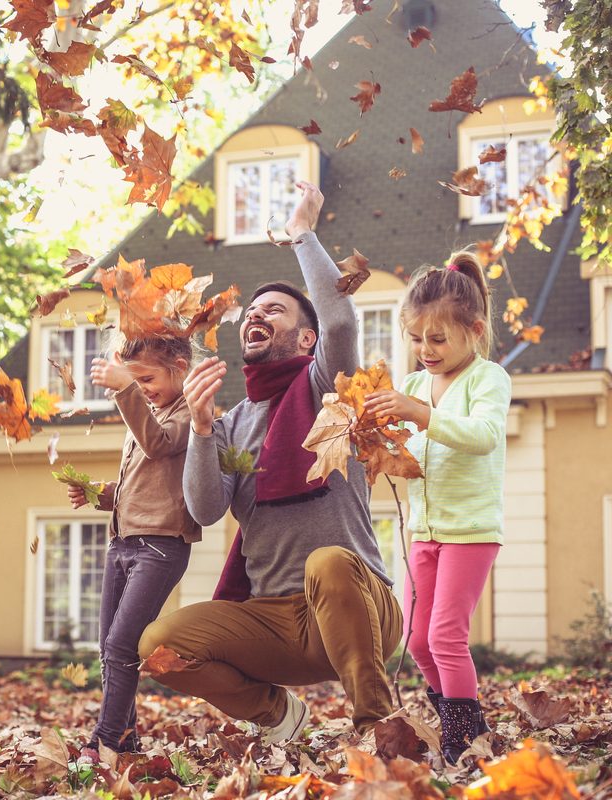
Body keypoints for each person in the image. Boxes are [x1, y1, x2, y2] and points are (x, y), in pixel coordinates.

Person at [137, 181, 402, 743]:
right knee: (157, 645)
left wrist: (302, 233)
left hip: (360, 607)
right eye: (252, 312)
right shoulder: (230, 424)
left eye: (274, 311)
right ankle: (278, 716)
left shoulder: (327, 385)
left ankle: (380, 725)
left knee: (327, 562)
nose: (257, 316)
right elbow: (206, 510)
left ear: (305, 338)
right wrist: (203, 429)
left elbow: (340, 323)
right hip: (274, 622)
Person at [364, 251, 510, 764]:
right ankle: (461, 714)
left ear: (472, 330)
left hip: (470, 530)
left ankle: (462, 732)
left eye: (437, 339)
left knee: (447, 635)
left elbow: (484, 435)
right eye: (415, 338)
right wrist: (370, 435)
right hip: (424, 532)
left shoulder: (487, 379)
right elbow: (402, 445)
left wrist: (421, 415)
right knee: (418, 639)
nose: (424, 350)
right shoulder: (412, 386)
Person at [66, 334, 200, 757]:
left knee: (123, 644)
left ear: (179, 366)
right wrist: (102, 493)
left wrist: (124, 388)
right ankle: (126, 740)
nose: (141, 388)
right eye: (135, 381)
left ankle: (104, 739)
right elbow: (143, 483)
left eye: (147, 378)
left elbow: (158, 445)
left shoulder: (187, 414)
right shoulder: (150, 411)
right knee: (108, 646)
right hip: (122, 543)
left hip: (161, 547)